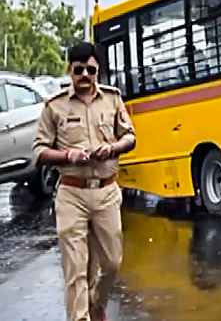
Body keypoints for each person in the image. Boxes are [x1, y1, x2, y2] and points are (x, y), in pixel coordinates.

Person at [33, 41, 137, 321]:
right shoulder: (55, 107)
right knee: (76, 270)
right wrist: (68, 155)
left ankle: (97, 302)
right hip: (71, 193)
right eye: (79, 69)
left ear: (98, 71)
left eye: (91, 70)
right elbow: (39, 151)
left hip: (106, 193)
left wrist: (112, 148)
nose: (85, 76)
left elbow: (130, 137)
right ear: (70, 70)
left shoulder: (113, 99)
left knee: (112, 263)